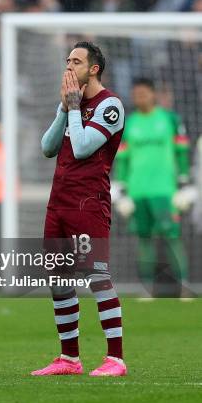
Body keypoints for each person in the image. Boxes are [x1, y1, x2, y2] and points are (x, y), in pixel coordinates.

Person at [37, 42, 127, 376]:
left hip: (88, 203)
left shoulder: (110, 105)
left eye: (76, 61)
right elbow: (47, 148)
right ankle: (69, 359)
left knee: (97, 276)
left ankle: (115, 359)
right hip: (58, 201)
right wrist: (64, 109)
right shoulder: (72, 105)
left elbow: (84, 146)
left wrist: (74, 109)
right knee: (59, 277)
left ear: (93, 69)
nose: (68, 67)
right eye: (66, 61)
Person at [114, 78, 191, 297]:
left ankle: (183, 286)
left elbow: (182, 151)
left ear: (153, 94)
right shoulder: (128, 124)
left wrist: (183, 181)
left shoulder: (170, 119)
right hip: (138, 191)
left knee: (171, 237)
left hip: (165, 191)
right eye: (136, 94)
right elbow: (123, 159)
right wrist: (121, 187)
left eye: (143, 93)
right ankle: (147, 289)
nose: (139, 98)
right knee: (144, 239)